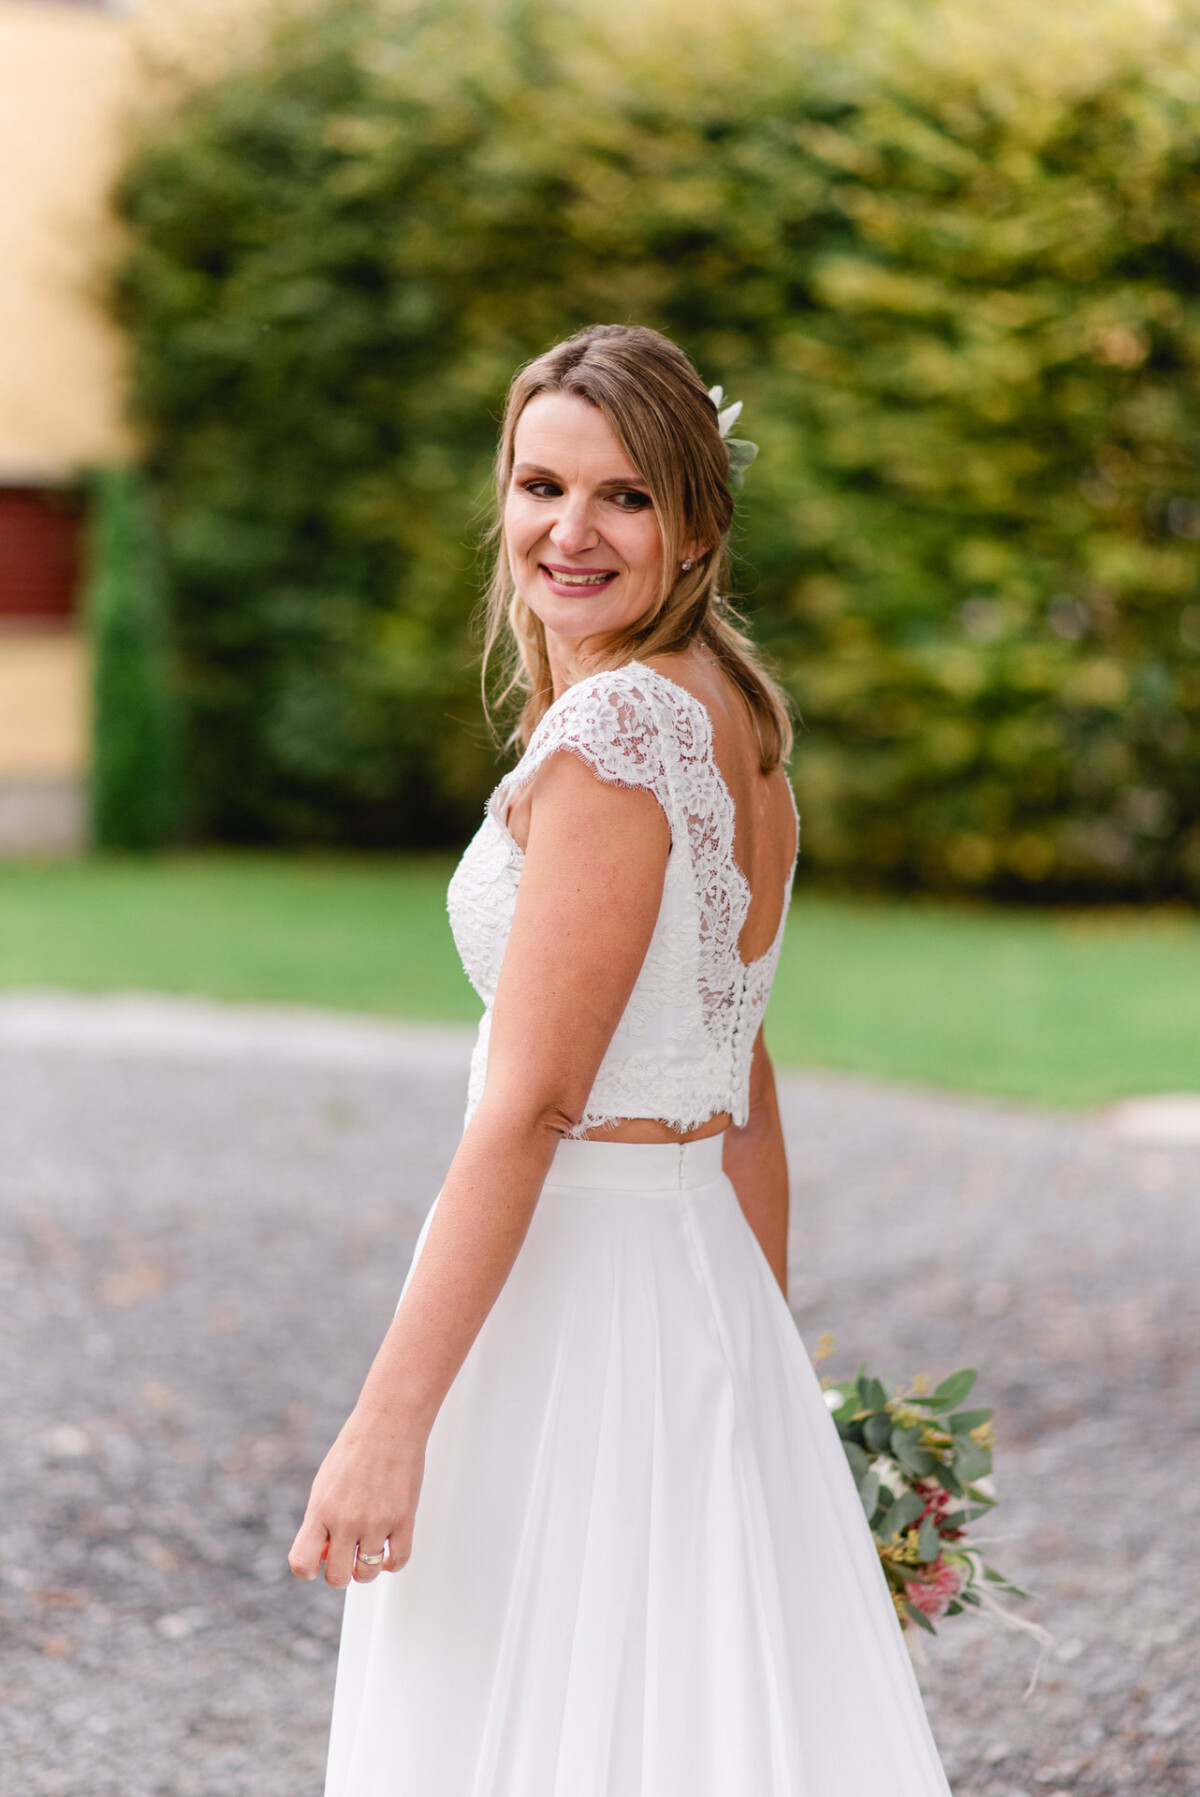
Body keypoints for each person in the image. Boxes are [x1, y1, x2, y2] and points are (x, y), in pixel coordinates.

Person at [290, 323, 953, 1795]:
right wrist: (756, 1351)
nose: (567, 530)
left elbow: (530, 1106)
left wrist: (386, 1423)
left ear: (698, 519)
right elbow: (748, 1078)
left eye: (625, 496)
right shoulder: (742, 723)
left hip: (574, 1303)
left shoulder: (617, 733)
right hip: (690, 1276)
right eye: (539, 485)